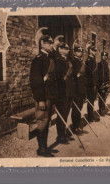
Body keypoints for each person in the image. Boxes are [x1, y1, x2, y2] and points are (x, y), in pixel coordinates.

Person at [30, 27, 56, 157]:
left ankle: (44, 146)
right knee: (42, 121)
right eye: (48, 42)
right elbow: (35, 82)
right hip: (43, 97)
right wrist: (40, 99)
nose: (51, 45)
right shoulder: (38, 60)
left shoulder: (49, 58)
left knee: (46, 122)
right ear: (42, 44)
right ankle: (41, 149)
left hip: (50, 96)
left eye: (51, 43)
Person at [54, 42, 75, 143]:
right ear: (59, 49)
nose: (68, 50)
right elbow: (58, 78)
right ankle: (60, 136)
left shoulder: (68, 61)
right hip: (62, 92)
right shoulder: (58, 61)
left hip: (69, 91)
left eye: (68, 48)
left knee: (66, 113)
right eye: (65, 48)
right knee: (61, 114)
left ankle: (63, 132)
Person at [71, 40, 86, 134]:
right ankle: (75, 127)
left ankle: (77, 125)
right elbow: (72, 76)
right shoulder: (73, 62)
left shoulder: (82, 62)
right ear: (74, 52)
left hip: (81, 89)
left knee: (79, 108)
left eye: (81, 52)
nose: (80, 53)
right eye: (78, 51)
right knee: (75, 109)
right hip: (75, 89)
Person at [85, 42, 99, 122]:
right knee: (90, 100)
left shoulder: (93, 59)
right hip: (90, 84)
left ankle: (91, 115)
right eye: (94, 50)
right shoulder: (89, 60)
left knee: (92, 100)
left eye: (95, 50)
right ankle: (90, 117)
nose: (95, 52)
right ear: (90, 51)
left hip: (94, 83)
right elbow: (90, 74)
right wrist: (93, 84)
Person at [98, 51, 110, 116]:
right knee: (101, 97)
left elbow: (107, 74)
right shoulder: (99, 64)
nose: (105, 57)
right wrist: (101, 83)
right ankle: (101, 110)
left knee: (105, 96)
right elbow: (99, 75)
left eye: (106, 55)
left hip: (106, 83)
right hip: (101, 83)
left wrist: (108, 82)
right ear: (101, 56)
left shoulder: (106, 64)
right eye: (103, 55)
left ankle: (103, 108)